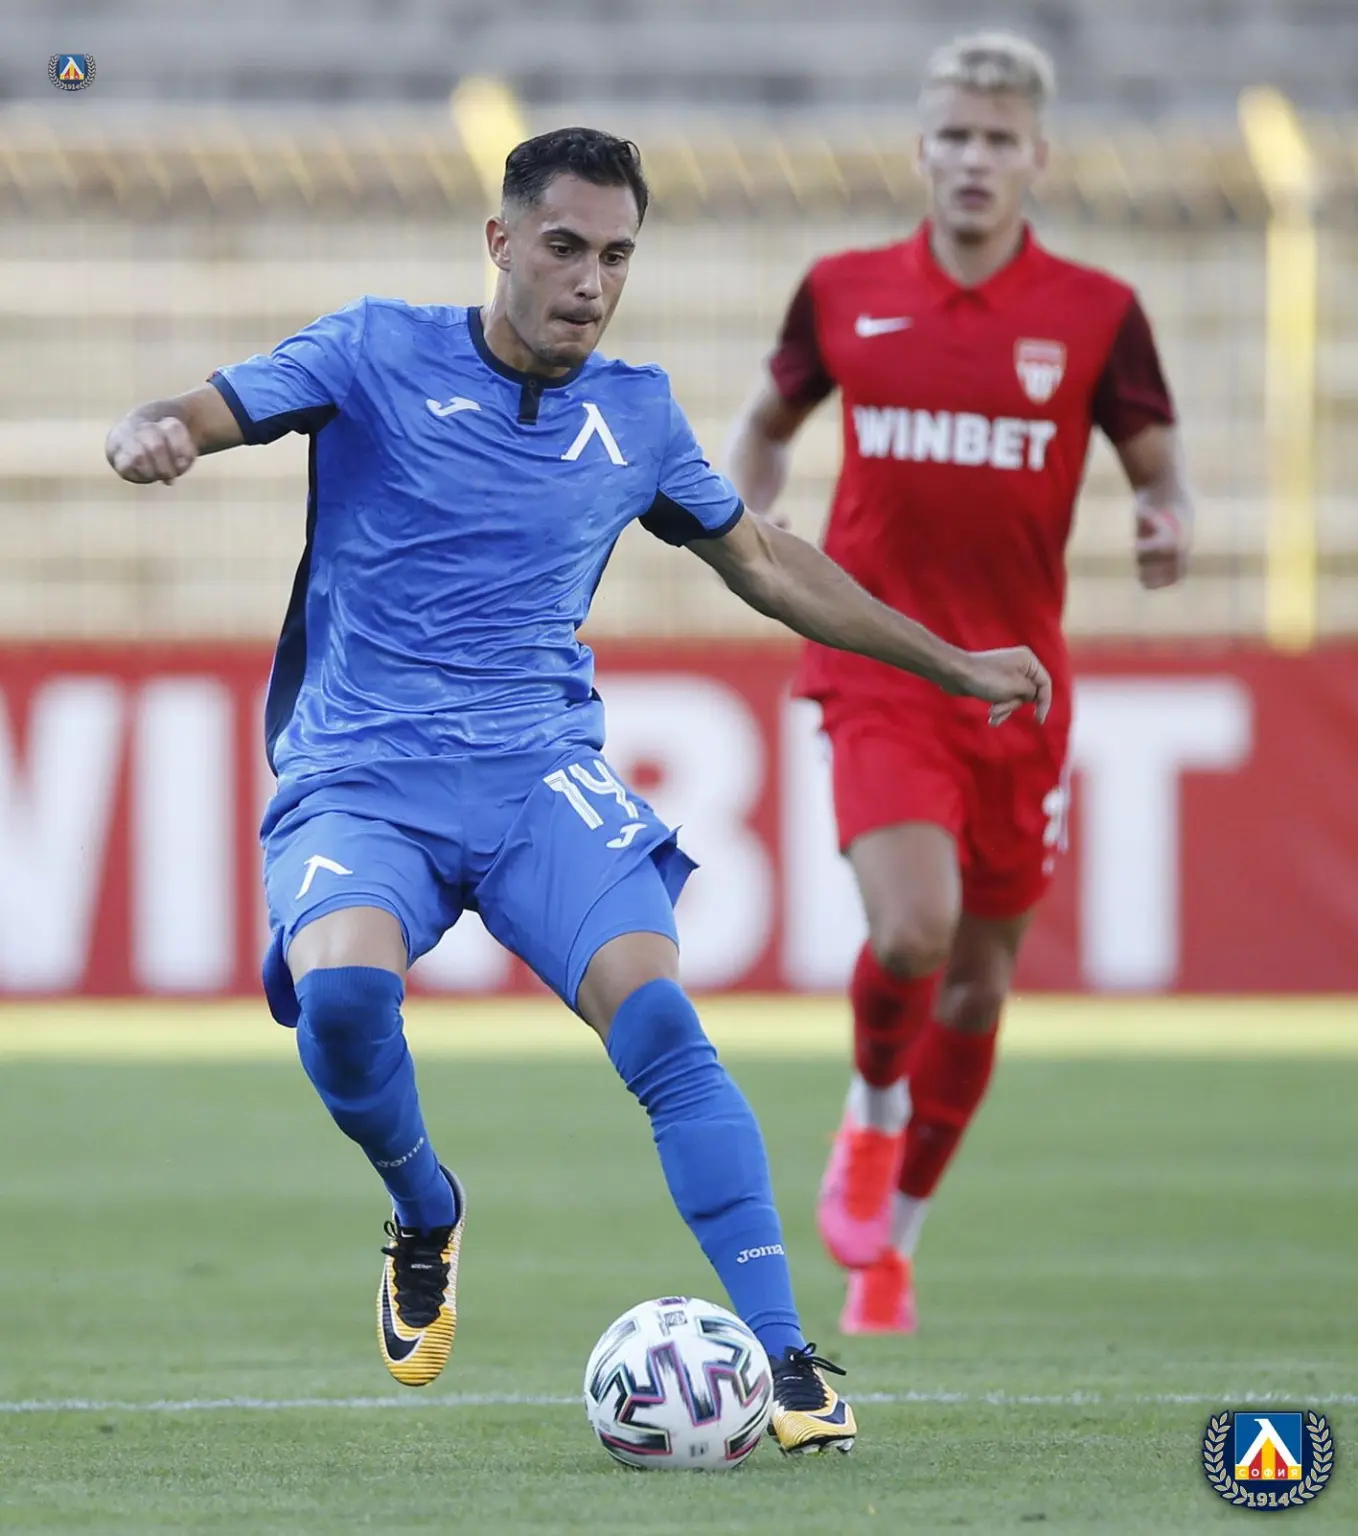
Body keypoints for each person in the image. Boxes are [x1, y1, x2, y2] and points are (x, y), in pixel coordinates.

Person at [105, 126, 1048, 1451]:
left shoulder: (637, 416)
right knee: (344, 1002)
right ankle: (425, 1209)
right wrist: (148, 432)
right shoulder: (374, 350)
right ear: (500, 242)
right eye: (564, 248)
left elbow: (769, 564)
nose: (590, 283)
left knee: (662, 1028)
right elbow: (195, 411)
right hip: (361, 776)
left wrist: (951, 665)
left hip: (539, 778)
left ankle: (788, 1361)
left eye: (616, 257)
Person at [726, 33, 1191, 1336]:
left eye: (997, 139)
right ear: (920, 148)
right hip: (878, 664)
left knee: (980, 988)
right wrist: (740, 519)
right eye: (953, 136)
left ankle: (895, 1245)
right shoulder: (843, 293)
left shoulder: (1095, 313)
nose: (973, 159)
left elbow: (1159, 466)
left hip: (1020, 686)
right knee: (912, 934)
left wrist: (1165, 518)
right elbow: (762, 431)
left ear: (1038, 155)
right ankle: (872, 1117)